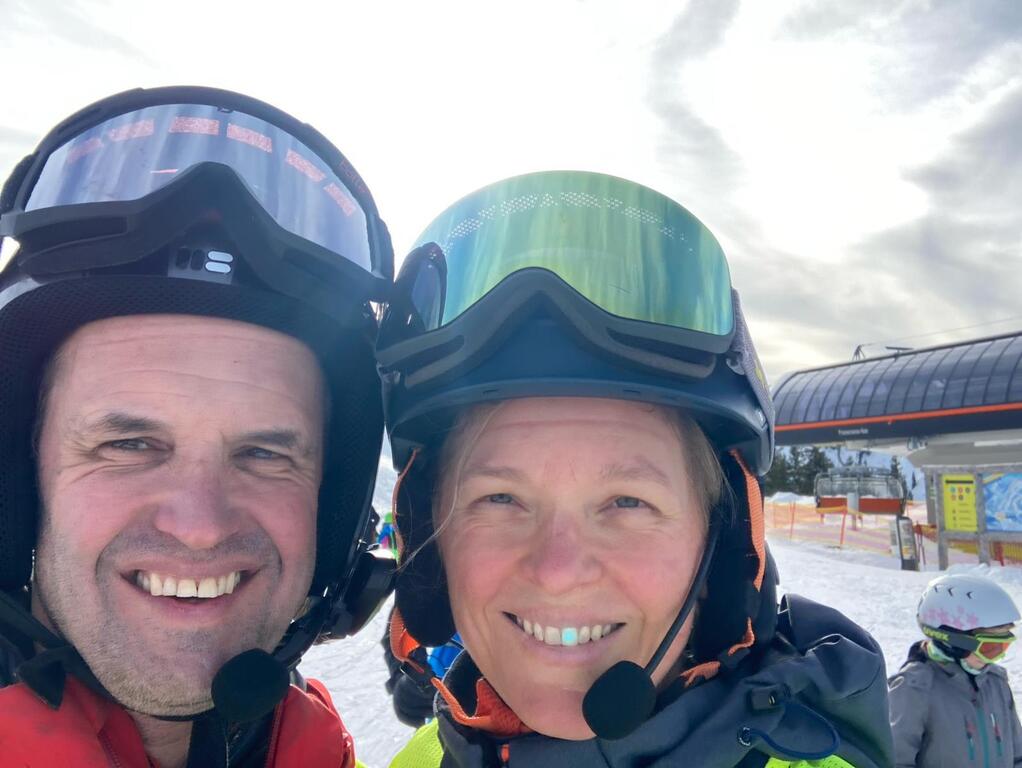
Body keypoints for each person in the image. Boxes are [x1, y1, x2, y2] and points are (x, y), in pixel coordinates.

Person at [376, 170, 895, 767]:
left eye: (627, 502)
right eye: (499, 499)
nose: (557, 572)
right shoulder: (421, 758)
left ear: (721, 545)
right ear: (431, 541)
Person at [0, 86, 395, 767]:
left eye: (265, 453)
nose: (201, 525)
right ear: (24, 479)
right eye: (128, 444)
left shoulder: (315, 752)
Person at [889, 573, 1022, 767]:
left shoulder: (996, 683)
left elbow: (1018, 756)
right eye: (989, 648)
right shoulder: (914, 688)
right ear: (954, 641)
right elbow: (894, 761)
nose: (996, 658)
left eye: (1003, 647)